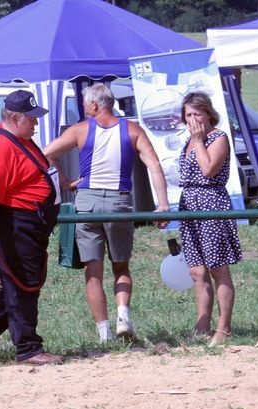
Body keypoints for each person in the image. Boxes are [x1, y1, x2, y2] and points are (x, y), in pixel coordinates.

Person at [44, 83, 169, 343]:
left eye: (84, 104)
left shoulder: (80, 129)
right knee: (121, 266)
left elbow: (45, 154)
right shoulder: (132, 129)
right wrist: (163, 205)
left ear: (94, 105)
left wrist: (66, 181)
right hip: (119, 203)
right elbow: (154, 165)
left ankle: (104, 333)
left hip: (87, 202)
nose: (84, 108)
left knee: (93, 270)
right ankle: (123, 317)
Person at [0, 89, 63, 365]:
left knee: (23, 285)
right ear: (14, 117)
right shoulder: (0, 145)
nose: (36, 123)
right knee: (21, 288)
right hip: (13, 225)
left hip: (30, 225)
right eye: (31, 118)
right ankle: (28, 348)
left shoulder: (20, 139)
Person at [178, 91, 242, 347]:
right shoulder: (188, 141)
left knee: (218, 268)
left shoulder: (218, 138)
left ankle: (223, 328)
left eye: (197, 113)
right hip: (188, 206)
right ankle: (202, 324)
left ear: (208, 113)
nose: (193, 119)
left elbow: (208, 170)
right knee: (196, 271)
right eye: (188, 115)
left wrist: (198, 140)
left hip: (211, 203)